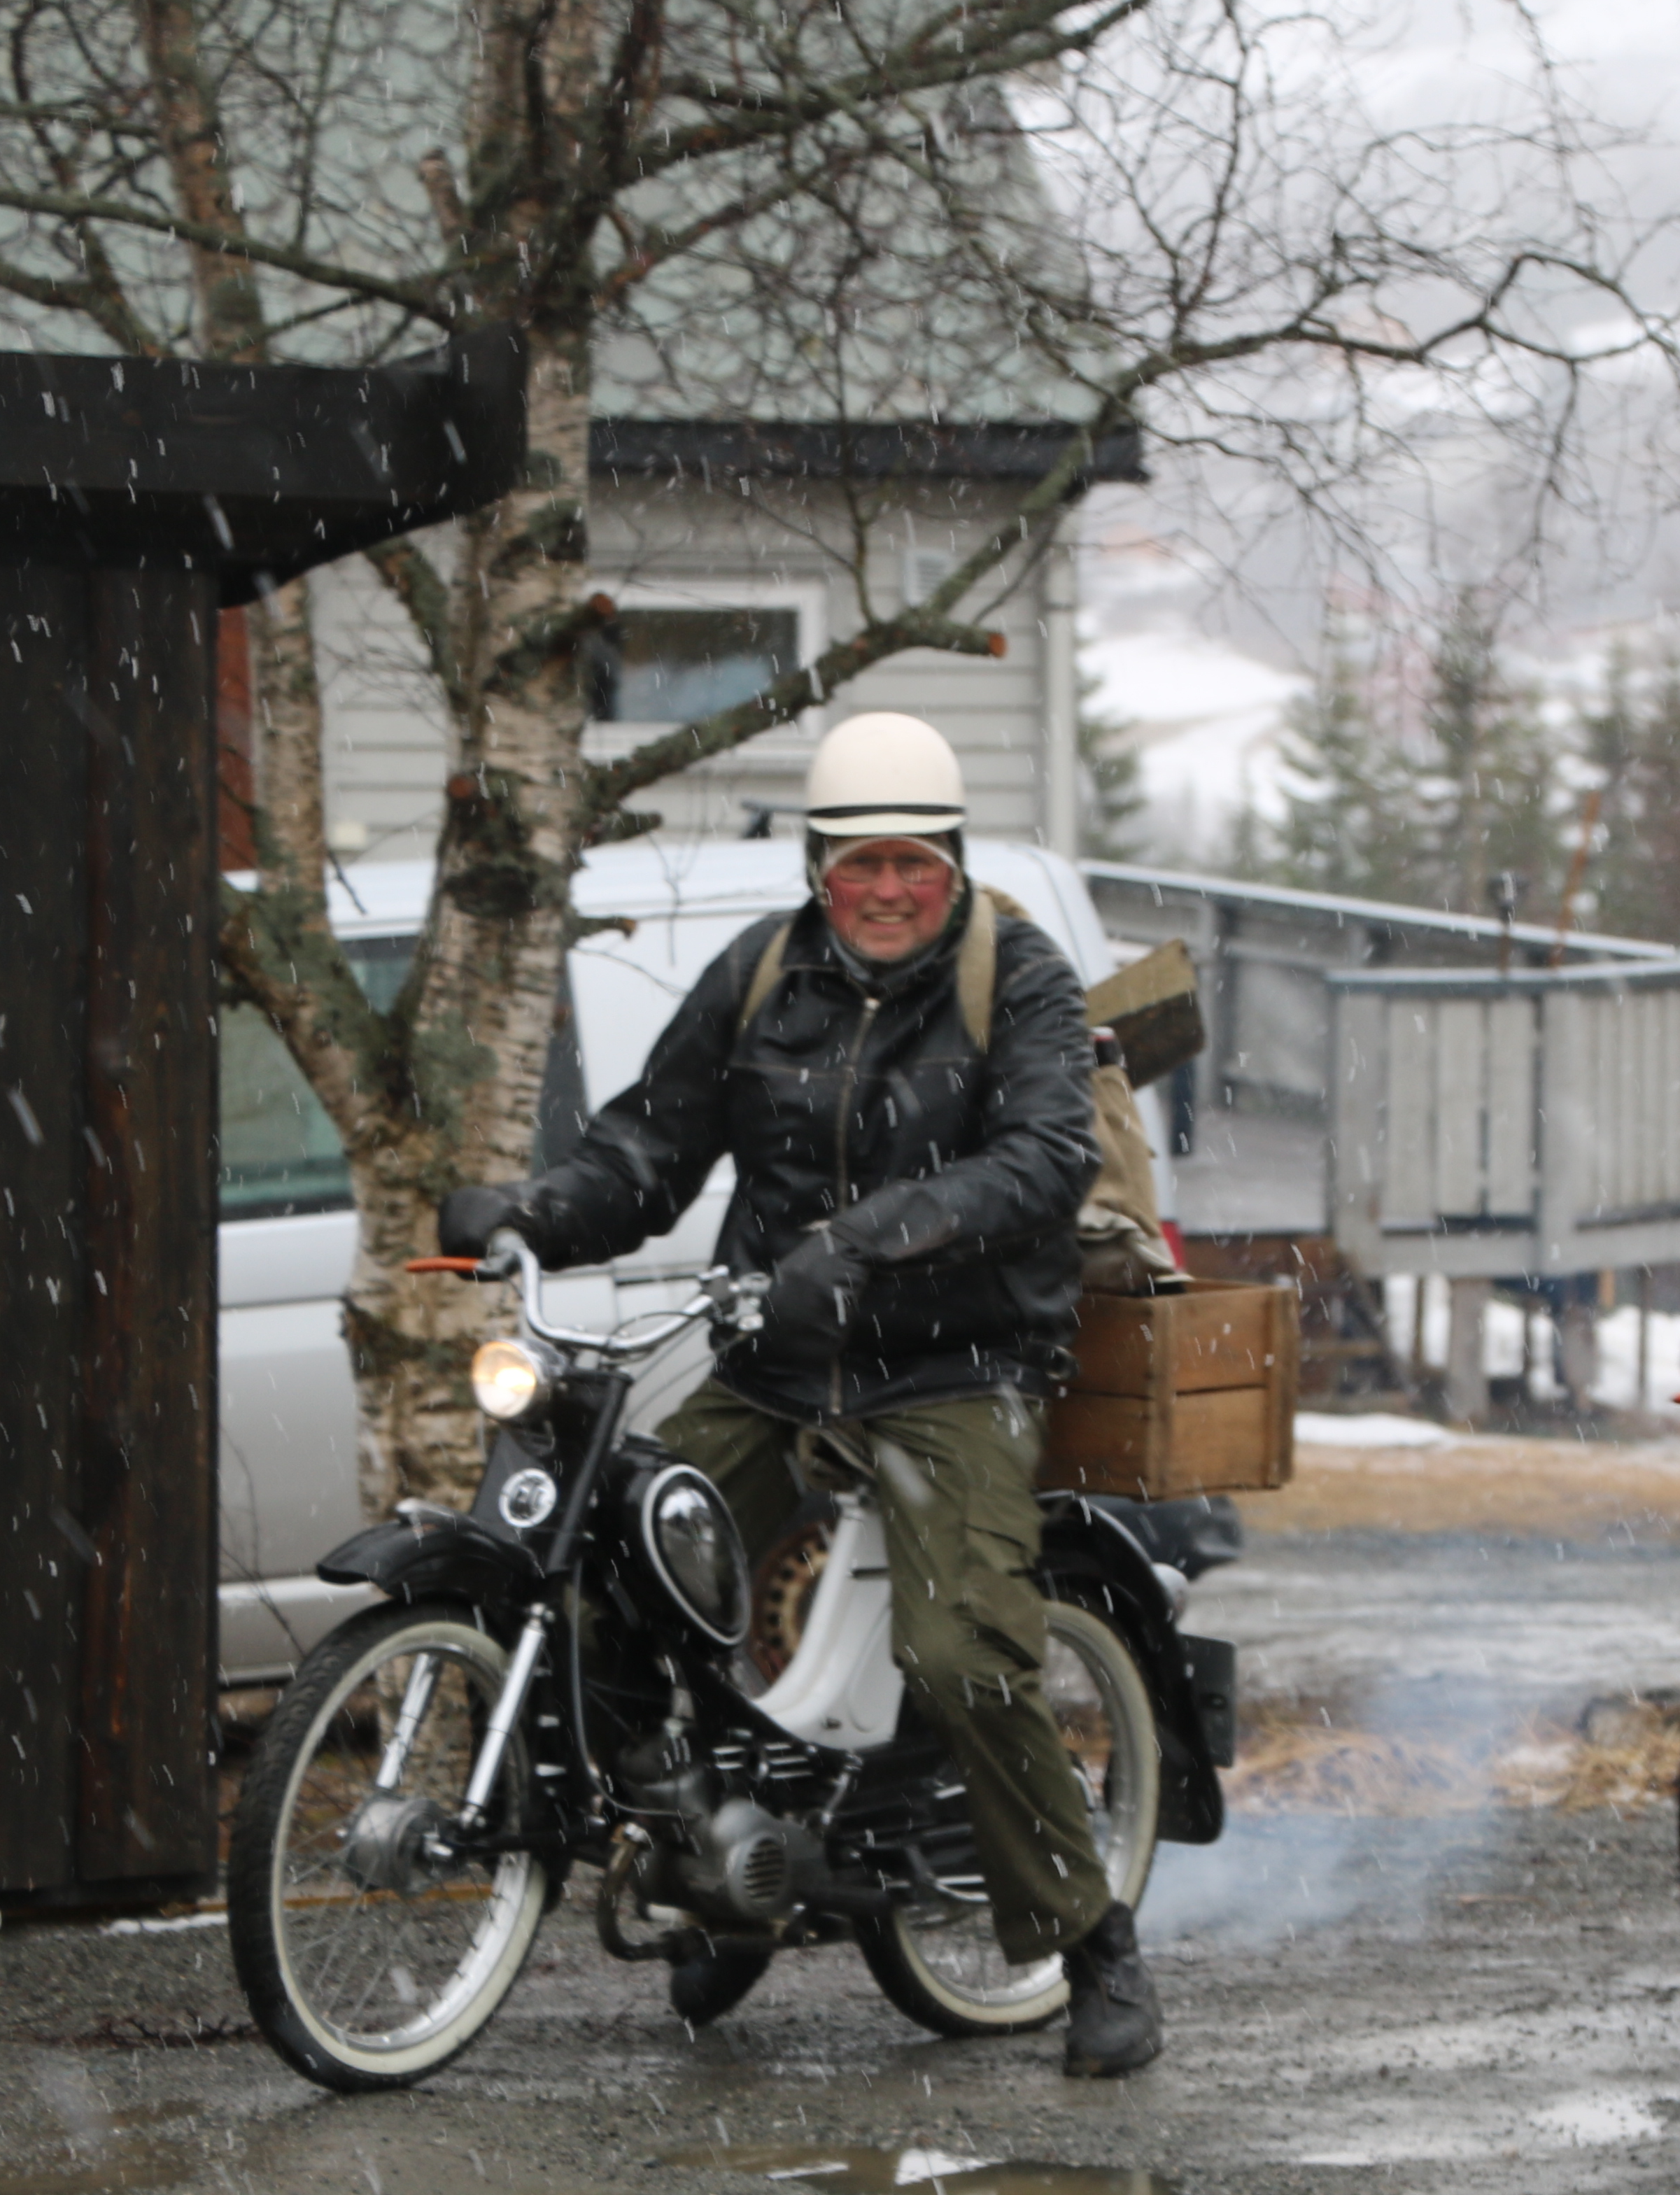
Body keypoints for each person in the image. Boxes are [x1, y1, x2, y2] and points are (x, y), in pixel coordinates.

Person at [432, 711, 1164, 2076]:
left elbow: (1043, 1161)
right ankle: (722, 1864)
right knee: (614, 1581)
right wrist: (535, 1210)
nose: (886, 889)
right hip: (775, 1360)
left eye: (913, 864)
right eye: (857, 865)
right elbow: (649, 1147)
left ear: (949, 863)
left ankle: (1093, 1938)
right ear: (819, 869)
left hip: (956, 1368)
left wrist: (870, 1239)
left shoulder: (1023, 977)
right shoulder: (761, 974)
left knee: (959, 1654)